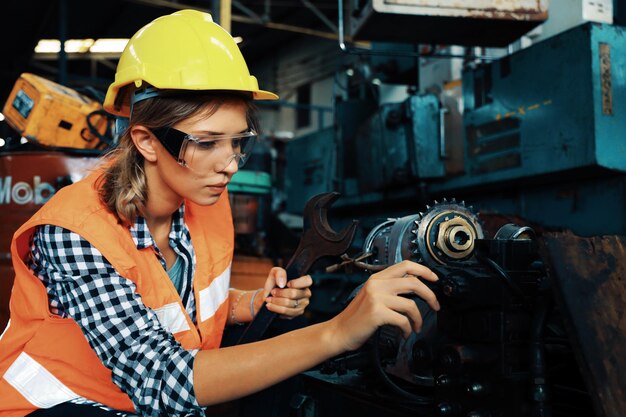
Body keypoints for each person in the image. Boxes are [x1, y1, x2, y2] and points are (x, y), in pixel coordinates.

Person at [0, 9, 440, 417]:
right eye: (207, 142)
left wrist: (251, 304)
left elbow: (168, 305)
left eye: (237, 142)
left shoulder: (202, 200)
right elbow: (159, 380)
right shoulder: (74, 232)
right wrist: (338, 331)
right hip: (56, 406)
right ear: (147, 142)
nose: (228, 163)